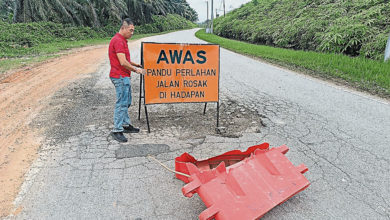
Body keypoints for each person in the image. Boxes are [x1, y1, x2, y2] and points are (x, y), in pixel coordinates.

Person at [109, 18, 145, 143]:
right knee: (122, 102)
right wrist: (136, 70)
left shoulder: (122, 40)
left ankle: (125, 125)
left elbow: (126, 60)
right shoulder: (118, 41)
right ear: (123, 28)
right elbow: (123, 62)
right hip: (119, 76)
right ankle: (117, 129)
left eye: (133, 30)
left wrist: (136, 64)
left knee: (127, 101)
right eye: (131, 30)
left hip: (124, 76)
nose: (132, 33)